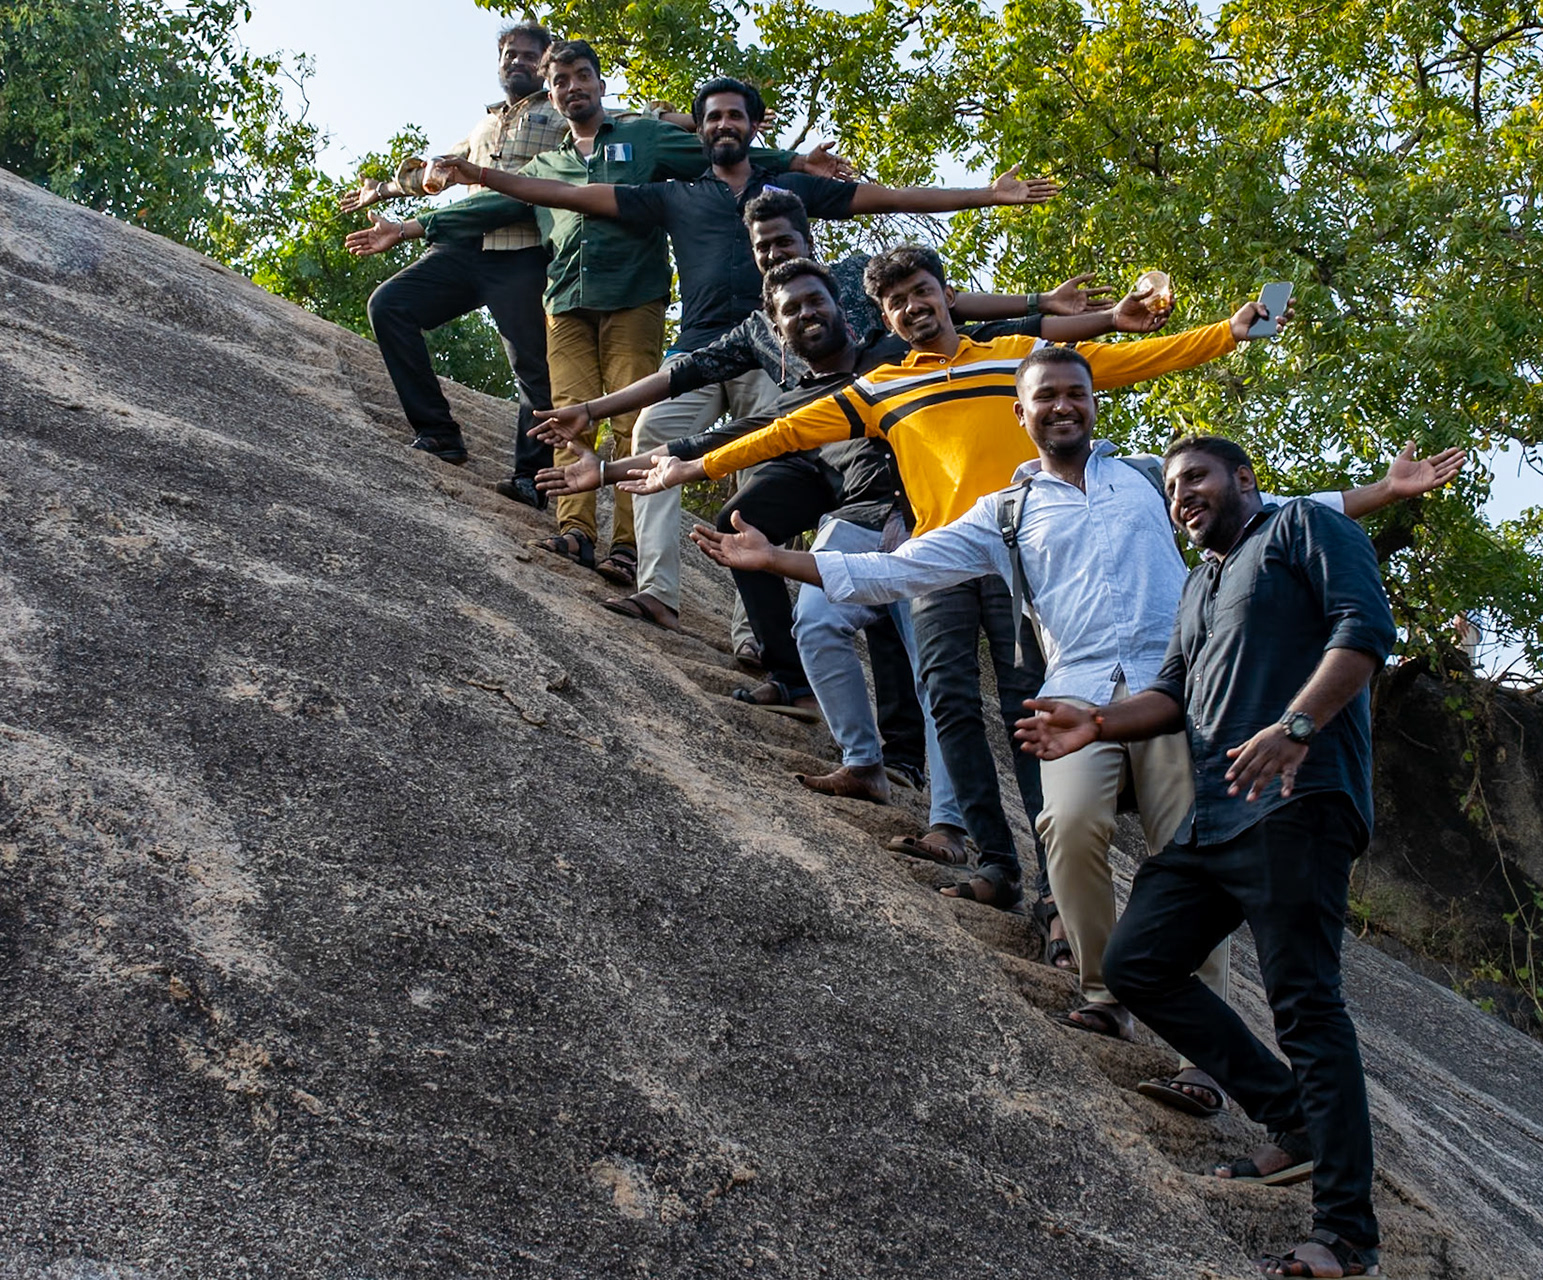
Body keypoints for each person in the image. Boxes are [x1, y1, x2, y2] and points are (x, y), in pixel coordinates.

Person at [689, 346, 1462, 1121]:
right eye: (1046, 396)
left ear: (1094, 404)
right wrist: (778, 559)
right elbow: (904, 568)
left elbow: (1273, 509)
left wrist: (1385, 490)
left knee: (1192, 858)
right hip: (1077, 699)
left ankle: (1202, 1061)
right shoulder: (1005, 511)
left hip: (1179, 694)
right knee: (1067, 822)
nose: (1063, 406)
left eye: (1076, 393)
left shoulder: (1151, 482)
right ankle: (1105, 994)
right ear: (1019, 414)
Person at [632, 245, 1282, 914]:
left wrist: (1228, 334)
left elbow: (1133, 360)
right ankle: (997, 865)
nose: (913, 307)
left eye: (922, 291)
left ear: (946, 295)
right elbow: (782, 432)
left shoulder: (1018, 361)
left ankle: (1055, 899)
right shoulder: (879, 386)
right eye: (896, 302)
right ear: (884, 317)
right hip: (941, 557)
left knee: (1027, 711)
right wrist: (695, 466)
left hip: (1019, 555)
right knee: (948, 703)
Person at [528, 189, 1111, 807]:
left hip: (929, 521)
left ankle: (946, 813)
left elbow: (995, 330)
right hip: (854, 510)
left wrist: (1081, 312)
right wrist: (606, 464)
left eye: (815, 301)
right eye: (791, 308)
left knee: (932, 668)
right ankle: (853, 748)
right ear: (776, 332)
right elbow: (716, 435)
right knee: (790, 582)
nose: (806, 312)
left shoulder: (893, 357)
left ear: (846, 308)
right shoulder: (795, 393)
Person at [433, 76, 1057, 633]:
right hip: (702, 350)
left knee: (762, 469)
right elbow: (567, 194)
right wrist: (482, 175)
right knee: (651, 433)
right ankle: (658, 592)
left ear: (755, 126)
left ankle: (754, 632)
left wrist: (987, 196)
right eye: (713, 117)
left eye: (735, 115)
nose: (724, 124)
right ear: (700, 130)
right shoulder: (675, 195)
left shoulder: (790, 192)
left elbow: (891, 198)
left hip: (779, 355)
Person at [1015, 433, 1396, 1279]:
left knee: (1307, 1006)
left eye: (1196, 477)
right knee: (1137, 964)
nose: (1181, 494)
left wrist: (1297, 725)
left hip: (1298, 801)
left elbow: (1366, 630)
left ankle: (1346, 1235)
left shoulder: (1304, 528)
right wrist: (1095, 723)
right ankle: (1293, 1119)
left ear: (1245, 479)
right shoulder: (1199, 583)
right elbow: (1171, 693)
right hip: (1213, 815)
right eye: (1171, 486)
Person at [346, 43, 841, 586]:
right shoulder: (545, 165)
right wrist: (409, 227)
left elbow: (717, 148)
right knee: (565, 414)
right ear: (552, 93)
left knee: (635, 422)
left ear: (601, 85)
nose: (573, 87)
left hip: (634, 294)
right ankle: (575, 530)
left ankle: (626, 547)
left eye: (583, 76)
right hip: (565, 298)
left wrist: (795, 163)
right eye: (562, 80)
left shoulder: (643, 137)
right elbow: (492, 204)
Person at [340, 21, 565, 501]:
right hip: (463, 248)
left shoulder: (559, 113)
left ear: (546, 64)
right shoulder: (485, 124)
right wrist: (382, 190)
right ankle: (439, 432)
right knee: (389, 305)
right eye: (510, 54)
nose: (518, 62)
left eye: (530, 55)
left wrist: (679, 118)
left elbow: (610, 125)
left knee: (533, 368)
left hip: (522, 253)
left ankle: (531, 478)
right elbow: (438, 171)